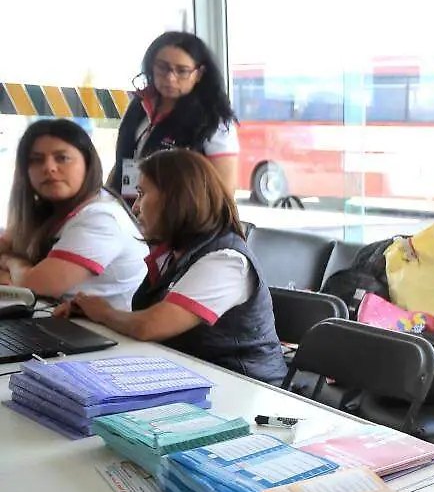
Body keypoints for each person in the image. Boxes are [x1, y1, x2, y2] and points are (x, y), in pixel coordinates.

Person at [60, 150, 286, 385]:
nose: (135, 207)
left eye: (142, 194)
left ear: (177, 198)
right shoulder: (174, 254)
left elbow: (150, 326)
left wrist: (103, 312)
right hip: (194, 378)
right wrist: (92, 312)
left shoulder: (226, 261)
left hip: (244, 390)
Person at [0, 119, 145, 308]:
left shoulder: (102, 218)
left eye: (62, 158)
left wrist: (11, 261)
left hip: (99, 332)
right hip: (53, 323)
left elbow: (34, 286)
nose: (49, 168)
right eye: (37, 160)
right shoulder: (50, 209)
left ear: (87, 162)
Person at [107, 31, 240, 201]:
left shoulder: (214, 121)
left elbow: (224, 192)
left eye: (182, 71)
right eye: (163, 68)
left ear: (199, 74)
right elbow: (122, 163)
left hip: (175, 220)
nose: (170, 78)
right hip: (126, 213)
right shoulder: (139, 105)